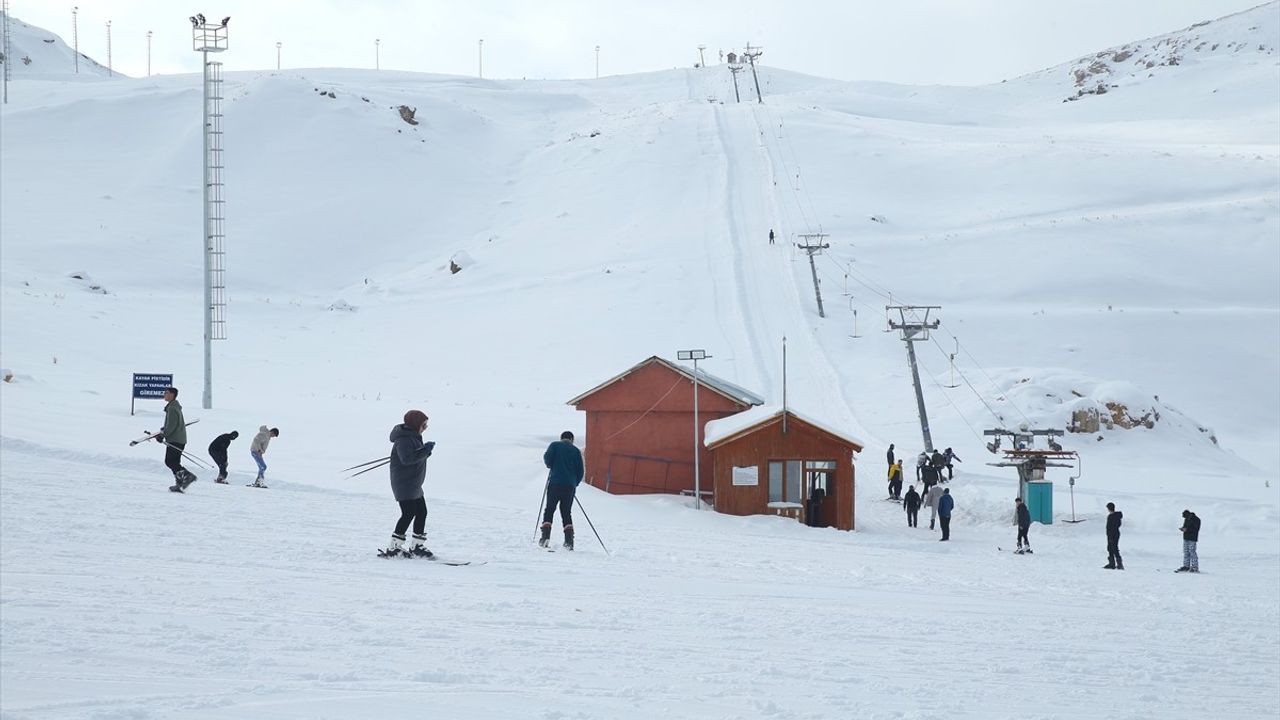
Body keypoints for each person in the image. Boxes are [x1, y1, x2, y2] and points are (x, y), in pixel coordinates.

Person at [382, 410, 436, 557]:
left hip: (413, 483)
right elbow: (407, 459)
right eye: (423, 425)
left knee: (421, 512)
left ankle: (417, 546)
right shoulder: (404, 439)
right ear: (415, 424)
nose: (425, 428)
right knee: (408, 513)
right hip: (404, 483)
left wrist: (425, 450)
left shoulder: (413, 436)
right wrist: (425, 450)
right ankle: (394, 548)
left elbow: (413, 456)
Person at [541, 430, 585, 550]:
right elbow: (581, 471)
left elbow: (547, 458)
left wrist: (550, 464)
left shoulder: (555, 445)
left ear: (561, 438)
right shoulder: (576, 451)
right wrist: (574, 483)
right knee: (566, 512)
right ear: (572, 440)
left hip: (555, 483)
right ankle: (569, 541)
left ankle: (545, 538)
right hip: (569, 486)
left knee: (549, 509)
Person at [155, 387, 196, 491]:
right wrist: (165, 429)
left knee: (170, 462)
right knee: (174, 462)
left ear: (172, 395)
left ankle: (188, 476)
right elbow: (173, 424)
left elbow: (172, 425)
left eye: (167, 393)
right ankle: (179, 484)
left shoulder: (172, 408)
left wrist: (163, 435)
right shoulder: (174, 407)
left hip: (175, 439)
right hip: (179, 438)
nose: (164, 394)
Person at [1104, 502, 1124, 569]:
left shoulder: (1111, 517)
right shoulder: (1117, 516)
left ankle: (1119, 564)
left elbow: (1110, 527)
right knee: (1110, 548)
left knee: (1114, 548)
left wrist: (1110, 535)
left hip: (1113, 534)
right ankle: (1112, 563)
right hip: (1115, 533)